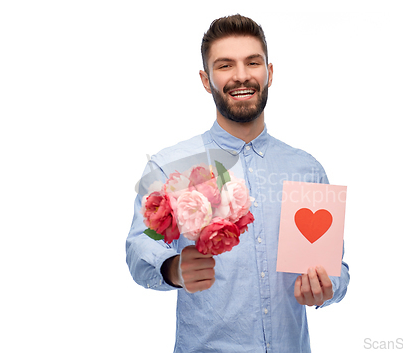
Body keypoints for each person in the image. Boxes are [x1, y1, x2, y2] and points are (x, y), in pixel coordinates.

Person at [126, 14, 350, 353]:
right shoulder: (170, 166)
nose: (241, 75)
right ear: (206, 79)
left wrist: (327, 286)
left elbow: (338, 270)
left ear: (269, 73)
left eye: (252, 62)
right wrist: (173, 269)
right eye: (225, 65)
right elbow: (139, 247)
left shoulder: (306, 170)